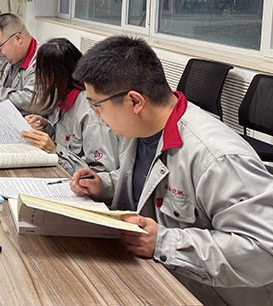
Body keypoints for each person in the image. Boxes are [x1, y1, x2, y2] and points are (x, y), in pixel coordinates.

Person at [69, 35, 273, 305]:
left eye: (97, 105)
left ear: (135, 102)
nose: (95, 115)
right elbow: (149, 181)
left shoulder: (217, 158)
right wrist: (104, 184)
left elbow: (263, 251)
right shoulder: (139, 129)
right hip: (152, 276)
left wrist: (164, 243)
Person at [19, 37, 119, 175]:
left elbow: (100, 173)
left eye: (41, 72)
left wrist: (54, 149)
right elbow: (65, 138)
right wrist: (46, 127)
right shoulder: (61, 96)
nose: (38, 78)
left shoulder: (92, 112)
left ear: (54, 75)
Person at [0, 13, 37, 114]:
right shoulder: (15, 57)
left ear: (18, 39)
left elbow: (30, 100)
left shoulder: (41, 60)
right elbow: (2, 79)